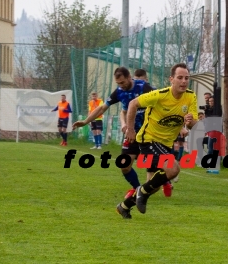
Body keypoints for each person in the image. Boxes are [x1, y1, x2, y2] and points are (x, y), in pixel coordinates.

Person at [73, 67, 174, 199]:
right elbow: (102, 108)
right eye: (118, 83)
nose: (121, 86)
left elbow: (163, 100)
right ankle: (137, 189)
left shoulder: (143, 87)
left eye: (122, 82)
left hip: (149, 134)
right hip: (132, 133)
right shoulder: (119, 92)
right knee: (124, 165)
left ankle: (163, 181)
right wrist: (85, 121)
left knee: (152, 176)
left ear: (128, 77)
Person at [117, 62, 198, 219]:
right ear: (171, 79)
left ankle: (124, 206)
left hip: (166, 144)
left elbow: (193, 123)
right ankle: (141, 191)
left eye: (186, 78)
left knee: (153, 186)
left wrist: (189, 122)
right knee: (174, 169)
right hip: (149, 140)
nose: (183, 81)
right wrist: (131, 129)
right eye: (180, 77)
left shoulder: (190, 96)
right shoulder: (159, 95)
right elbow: (133, 104)